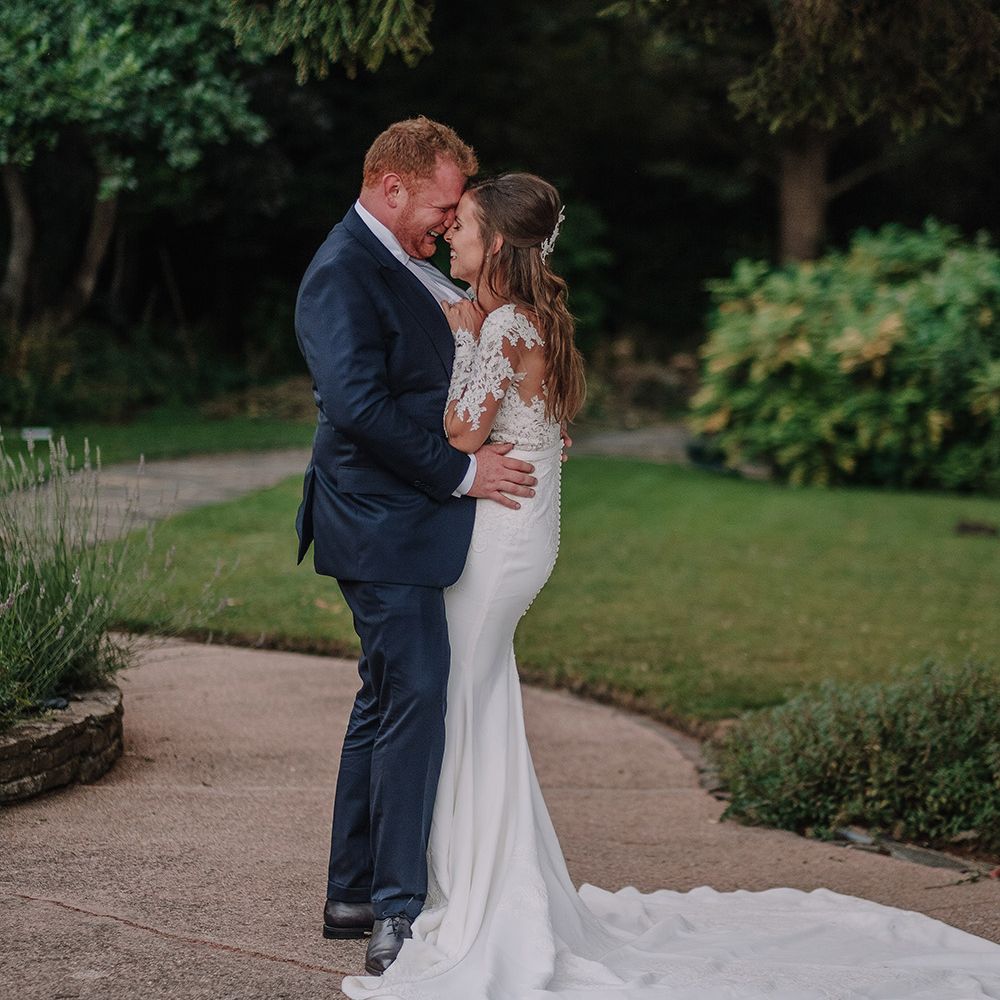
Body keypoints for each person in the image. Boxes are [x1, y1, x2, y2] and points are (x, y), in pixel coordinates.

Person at [340, 173, 1000, 999]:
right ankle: (481, 880)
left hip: (501, 534)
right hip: (521, 529)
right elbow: (526, 417)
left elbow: (460, 430)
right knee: (478, 694)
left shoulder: (502, 322)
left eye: (466, 227)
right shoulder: (518, 318)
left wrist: (464, 341)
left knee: (462, 700)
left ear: (499, 245)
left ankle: (478, 893)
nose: (455, 240)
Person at [294, 118, 541, 977]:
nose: (446, 221)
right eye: (439, 205)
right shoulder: (340, 273)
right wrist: (465, 475)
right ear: (390, 187)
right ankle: (397, 910)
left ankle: (353, 888)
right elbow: (359, 407)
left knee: (387, 692)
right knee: (417, 693)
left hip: (403, 521)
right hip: (374, 521)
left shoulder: (410, 264)